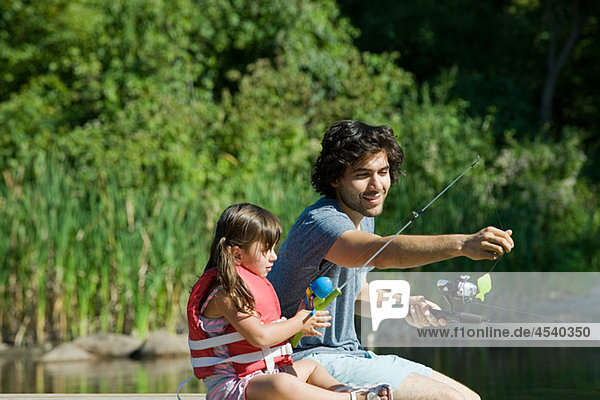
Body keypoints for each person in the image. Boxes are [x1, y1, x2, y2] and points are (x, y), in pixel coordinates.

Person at [268, 120, 515, 400]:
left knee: (470, 397)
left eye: (383, 172)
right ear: (335, 178)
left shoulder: (363, 219)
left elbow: (353, 292)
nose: (376, 185)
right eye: (363, 174)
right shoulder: (322, 222)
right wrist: (463, 243)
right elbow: (381, 253)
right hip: (303, 359)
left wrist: (405, 305)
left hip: (350, 354)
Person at [187, 203, 393, 400]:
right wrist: (299, 322)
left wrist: (298, 328)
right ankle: (351, 398)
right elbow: (259, 336)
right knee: (282, 384)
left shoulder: (245, 287)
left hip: (266, 374)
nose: (274, 257)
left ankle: (348, 390)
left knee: (311, 366)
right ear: (237, 254)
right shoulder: (226, 294)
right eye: (266, 250)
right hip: (233, 388)